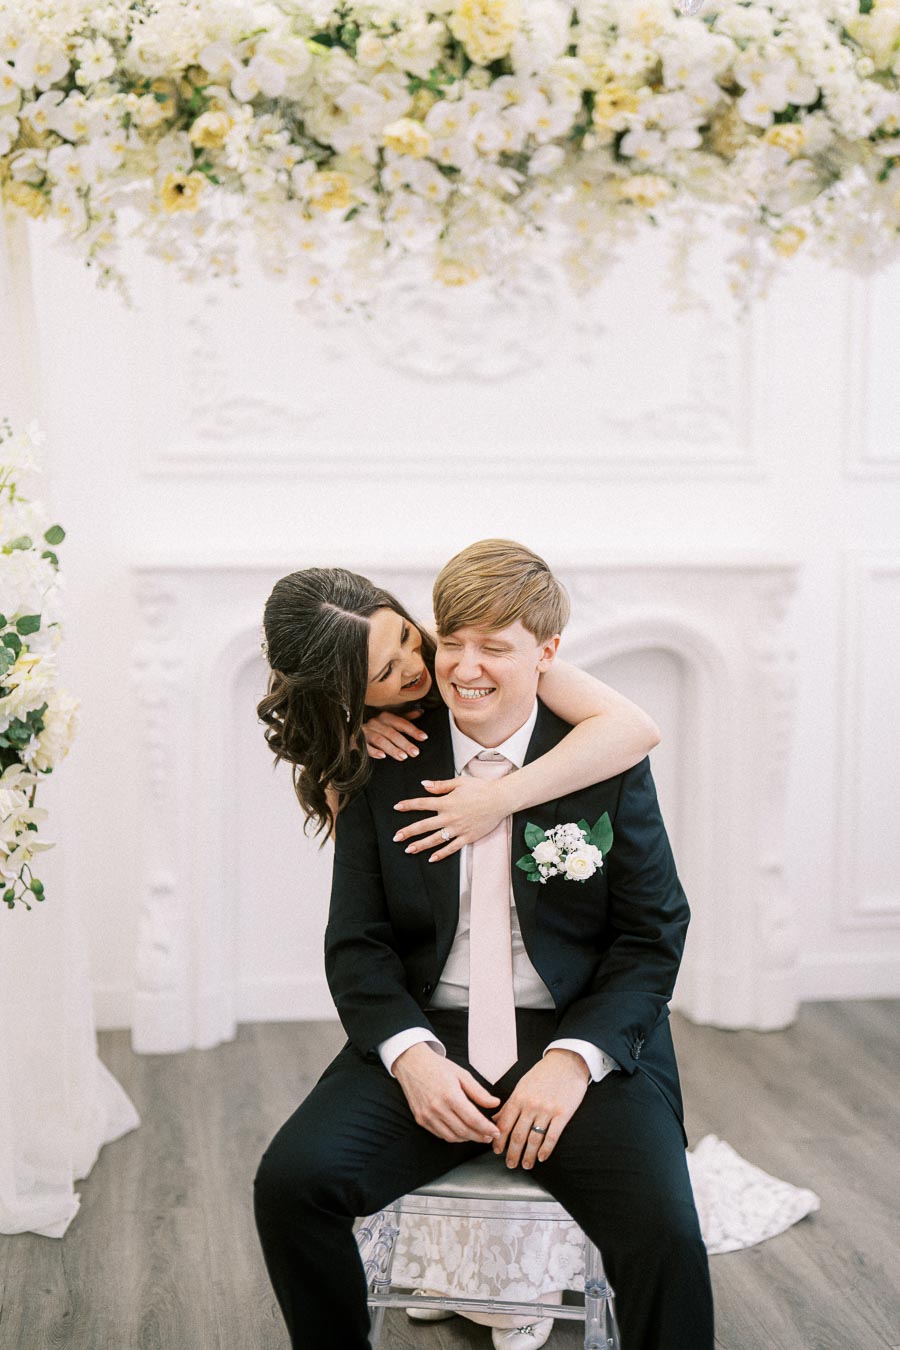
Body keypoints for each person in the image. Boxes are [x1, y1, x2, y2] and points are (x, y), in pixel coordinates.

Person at [254, 540, 715, 1349]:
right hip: (434, 1032)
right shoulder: (379, 760)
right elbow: (357, 946)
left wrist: (575, 1060)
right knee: (292, 1185)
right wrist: (412, 1057)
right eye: (449, 644)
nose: (456, 667)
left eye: (491, 648)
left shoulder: (601, 757)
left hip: (578, 1032)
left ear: (545, 653)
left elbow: (652, 936)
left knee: (667, 1233)